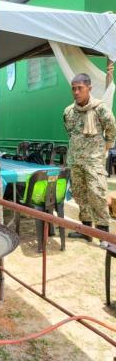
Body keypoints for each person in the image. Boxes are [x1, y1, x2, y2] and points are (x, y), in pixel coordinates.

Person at [64, 73, 116, 245]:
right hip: (76, 160)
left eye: (80, 88)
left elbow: (111, 130)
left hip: (94, 161)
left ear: (89, 88)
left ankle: (104, 235)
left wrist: (104, 149)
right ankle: (86, 231)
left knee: (97, 194)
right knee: (79, 195)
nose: (76, 92)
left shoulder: (100, 108)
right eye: (73, 89)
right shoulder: (69, 112)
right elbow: (70, 132)